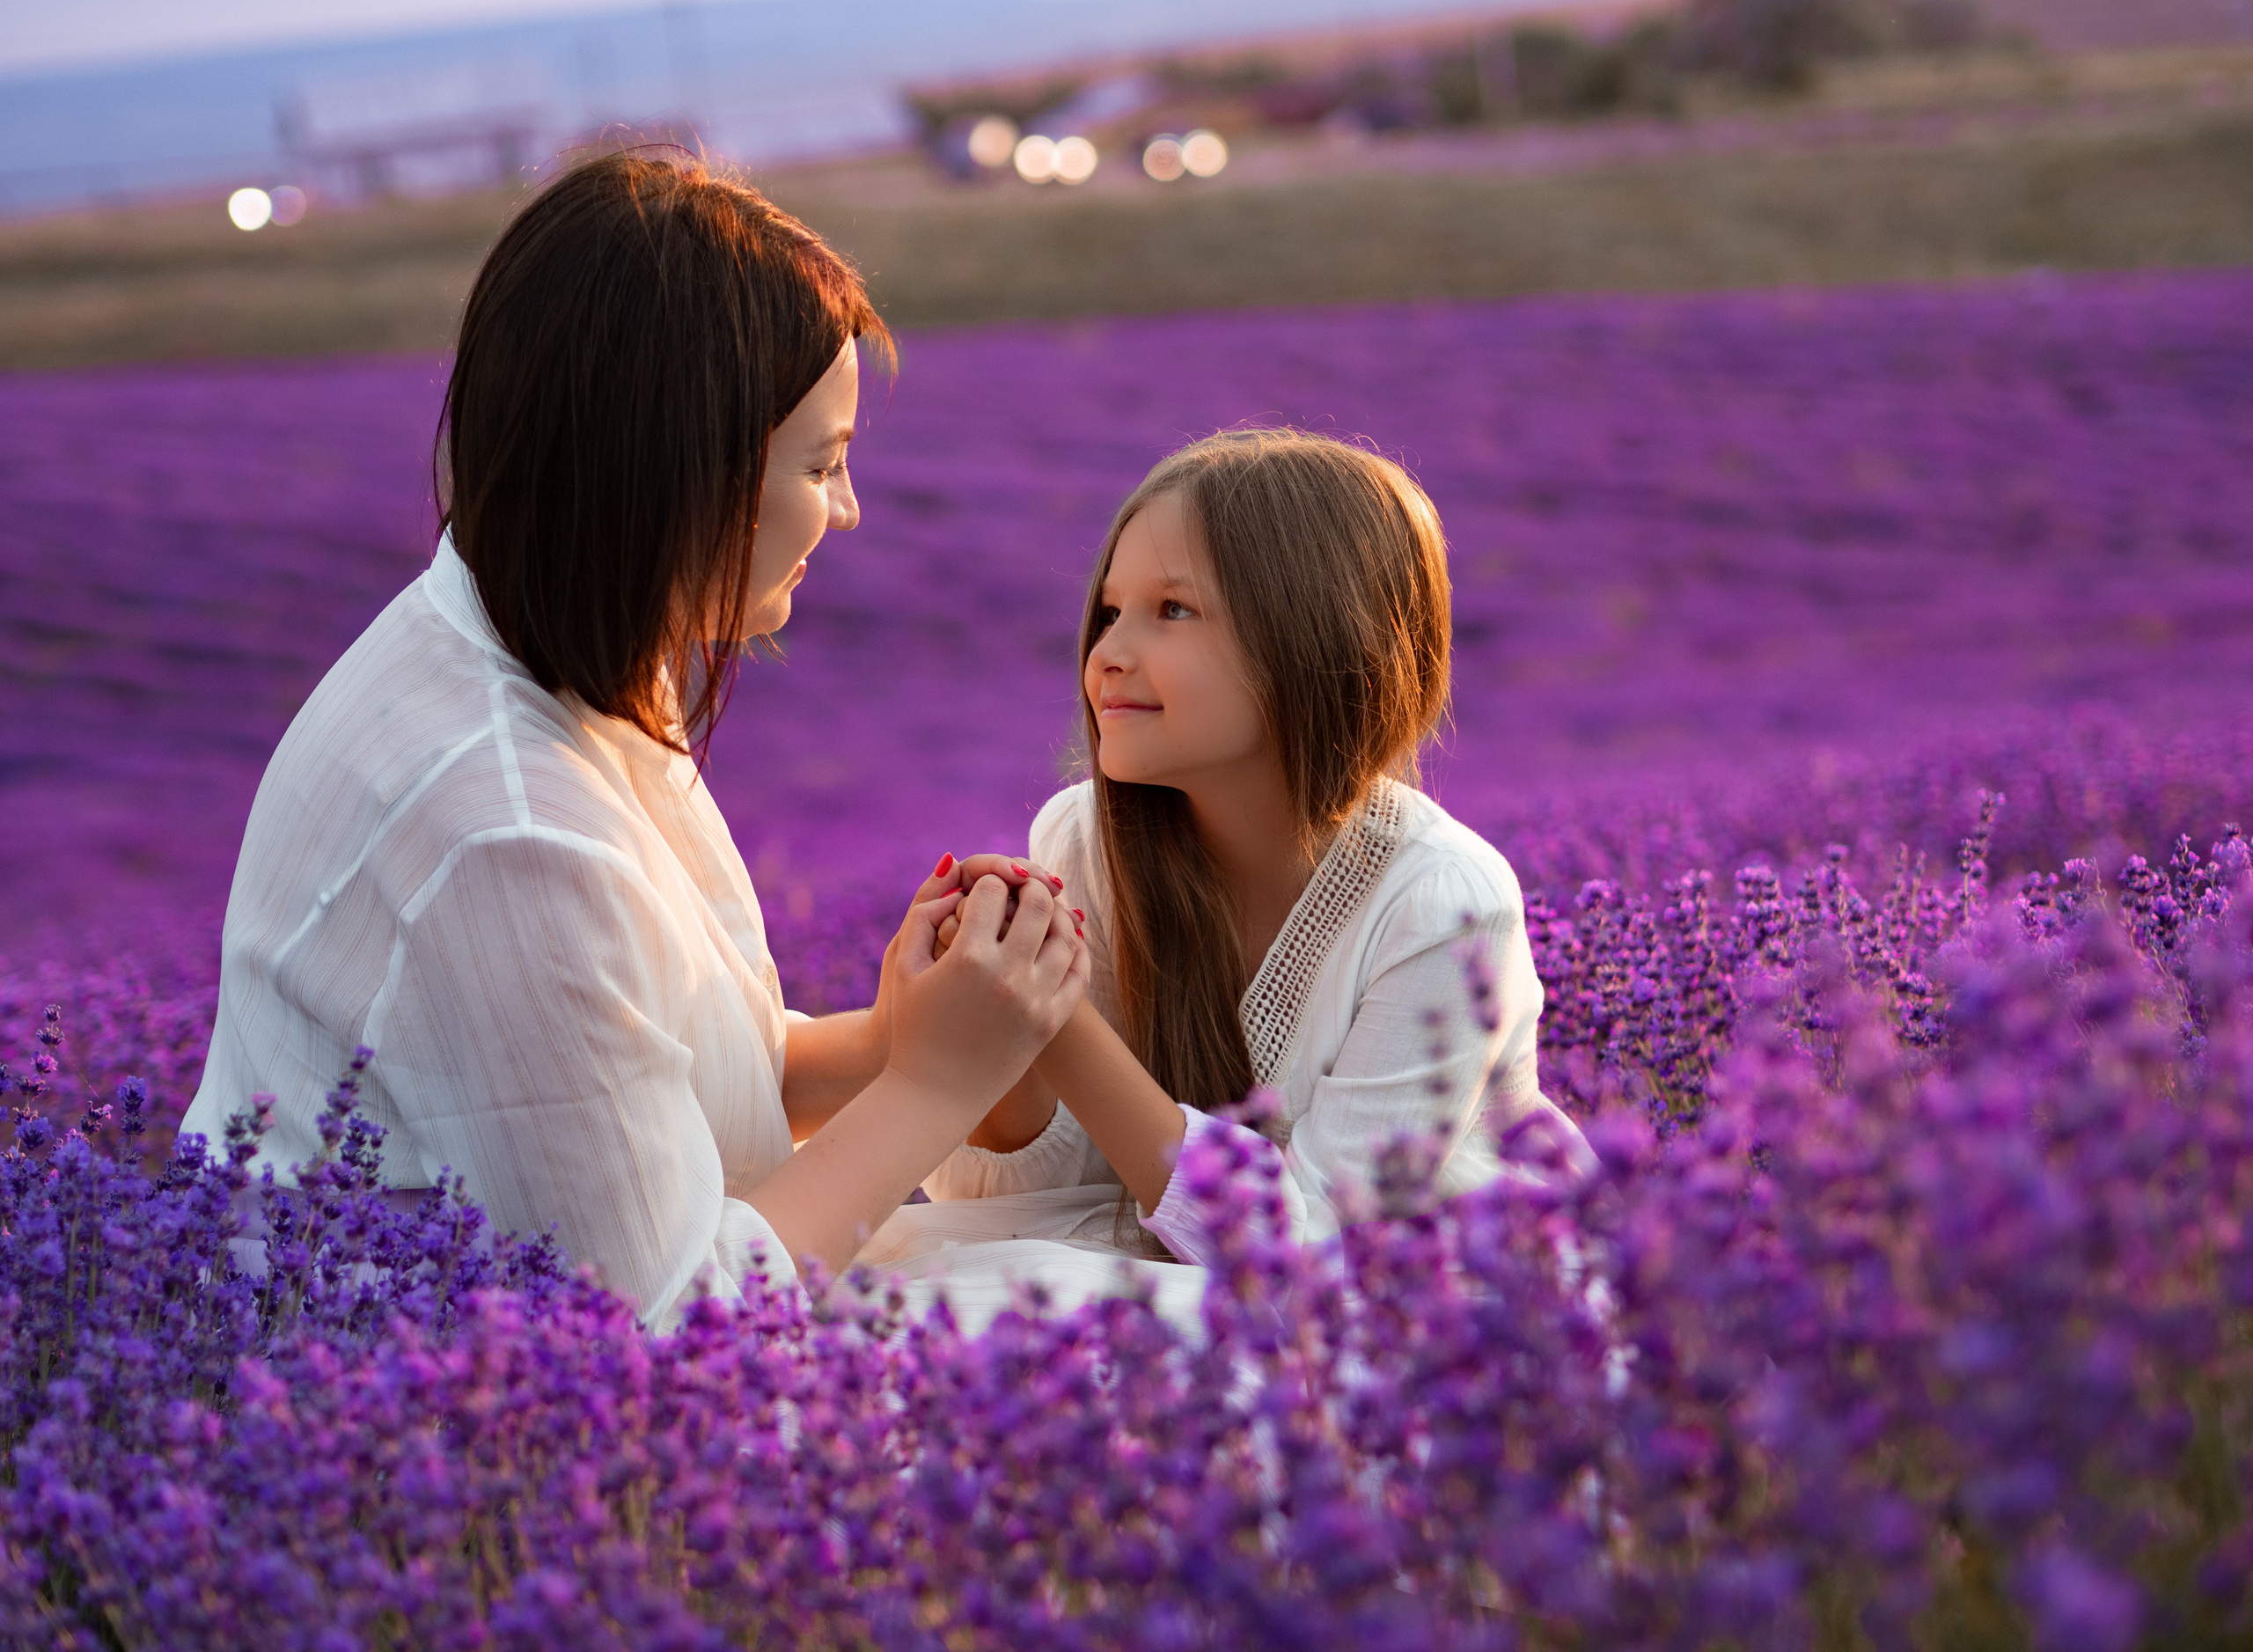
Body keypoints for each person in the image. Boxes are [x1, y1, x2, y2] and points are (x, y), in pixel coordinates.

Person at [181, 150, 1198, 1333]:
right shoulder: (505, 827)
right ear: (685, 475)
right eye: (822, 465)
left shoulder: (558, 652)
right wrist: (937, 1081)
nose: (851, 508)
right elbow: (669, 1335)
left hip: (588, 1351)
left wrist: (902, 1037)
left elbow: (663, 1091)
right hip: (448, 1440)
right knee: (1188, 1356)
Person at [882, 430, 1593, 1267]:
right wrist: (991, 1029)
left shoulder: (1443, 903)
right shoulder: (1082, 840)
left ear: (1317, 641)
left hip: (1449, 1309)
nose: (1107, 655)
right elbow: (1034, 1206)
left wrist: (1058, 1022)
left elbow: (1318, 1249)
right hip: (1186, 1273)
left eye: (1171, 611)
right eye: (1110, 612)